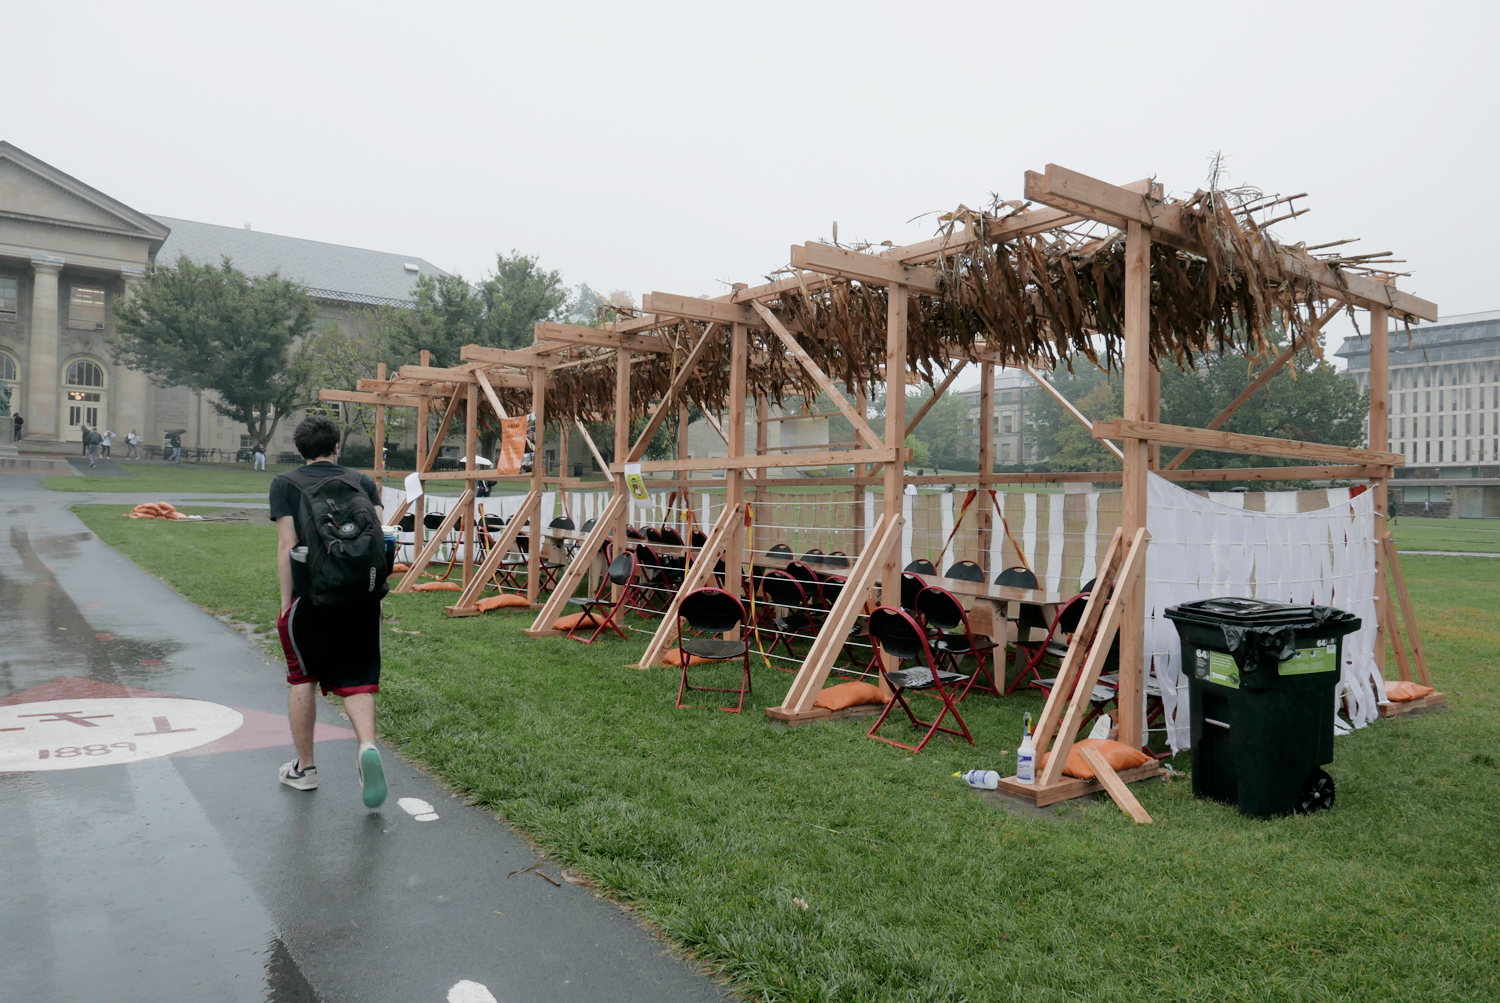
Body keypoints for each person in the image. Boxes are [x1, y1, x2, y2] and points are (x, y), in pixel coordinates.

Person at [269, 415, 388, 807]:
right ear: (337, 445)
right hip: (361, 599)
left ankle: (305, 769)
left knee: (302, 677)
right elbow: (379, 541)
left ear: (300, 450)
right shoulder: (362, 482)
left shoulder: (285, 484)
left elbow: (288, 545)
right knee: (357, 679)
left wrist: (286, 605)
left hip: (312, 597)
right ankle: (367, 746)